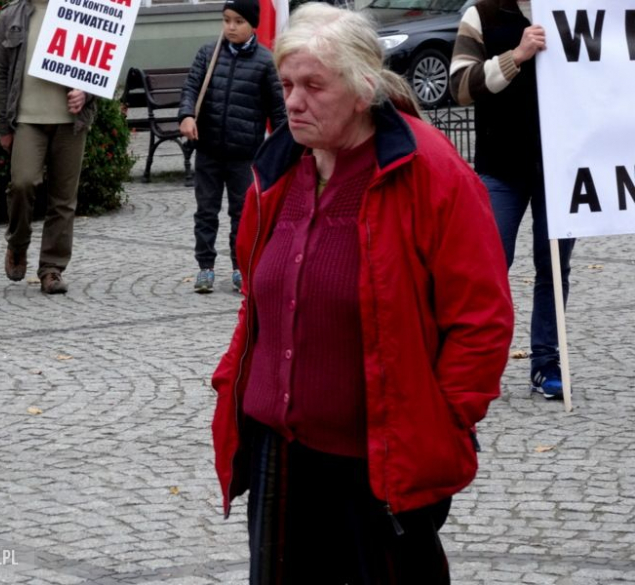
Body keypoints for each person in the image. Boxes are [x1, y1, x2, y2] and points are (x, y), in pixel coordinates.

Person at [210, 4, 514, 583]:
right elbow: (258, 297)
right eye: (287, 84)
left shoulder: (429, 172)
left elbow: (482, 320)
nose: (293, 101)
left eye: (312, 86)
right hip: (280, 453)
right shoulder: (276, 171)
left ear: (361, 89)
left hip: (378, 459)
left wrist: (443, 424)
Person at [450, 0, 574, 399]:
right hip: (500, 167)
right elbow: (459, 87)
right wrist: (516, 56)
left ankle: (546, 362)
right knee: (485, 268)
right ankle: (477, 362)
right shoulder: (482, 14)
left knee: (553, 268)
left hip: (561, 169)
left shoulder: (575, 12)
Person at [178, 0, 286, 294]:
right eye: (226, 20)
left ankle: (242, 267)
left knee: (242, 213)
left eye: (238, 21)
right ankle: (206, 268)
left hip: (245, 154)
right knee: (206, 211)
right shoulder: (208, 54)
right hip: (209, 149)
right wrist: (187, 115)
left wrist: (284, 151)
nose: (231, 27)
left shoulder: (265, 62)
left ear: (252, 24)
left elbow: (278, 112)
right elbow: (190, 88)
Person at [0, 0, 96, 295]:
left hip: (70, 121)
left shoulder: (82, 12)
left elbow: (100, 65)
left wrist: (85, 92)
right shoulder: (11, 15)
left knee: (63, 200)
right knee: (23, 183)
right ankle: (18, 243)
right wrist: (3, 126)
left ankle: (51, 268)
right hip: (26, 119)